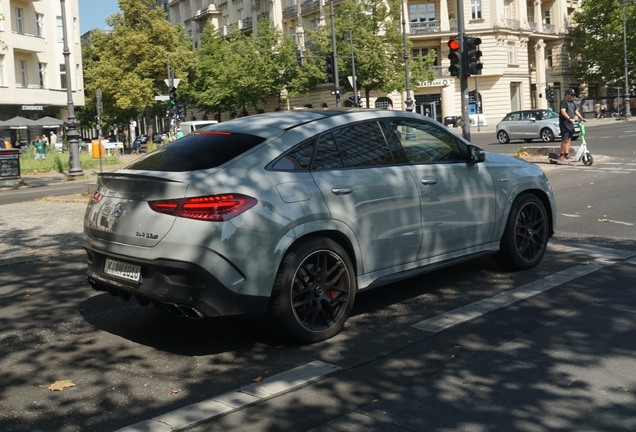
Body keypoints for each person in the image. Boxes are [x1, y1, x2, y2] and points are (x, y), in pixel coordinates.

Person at [558, 88, 585, 164]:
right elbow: (563, 112)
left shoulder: (572, 102)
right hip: (564, 123)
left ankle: (566, 154)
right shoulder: (564, 102)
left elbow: (575, 111)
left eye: (573, 95)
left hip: (570, 123)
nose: (573, 96)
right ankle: (561, 155)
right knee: (565, 139)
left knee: (569, 139)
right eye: (571, 95)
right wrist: (569, 118)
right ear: (567, 94)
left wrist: (581, 118)